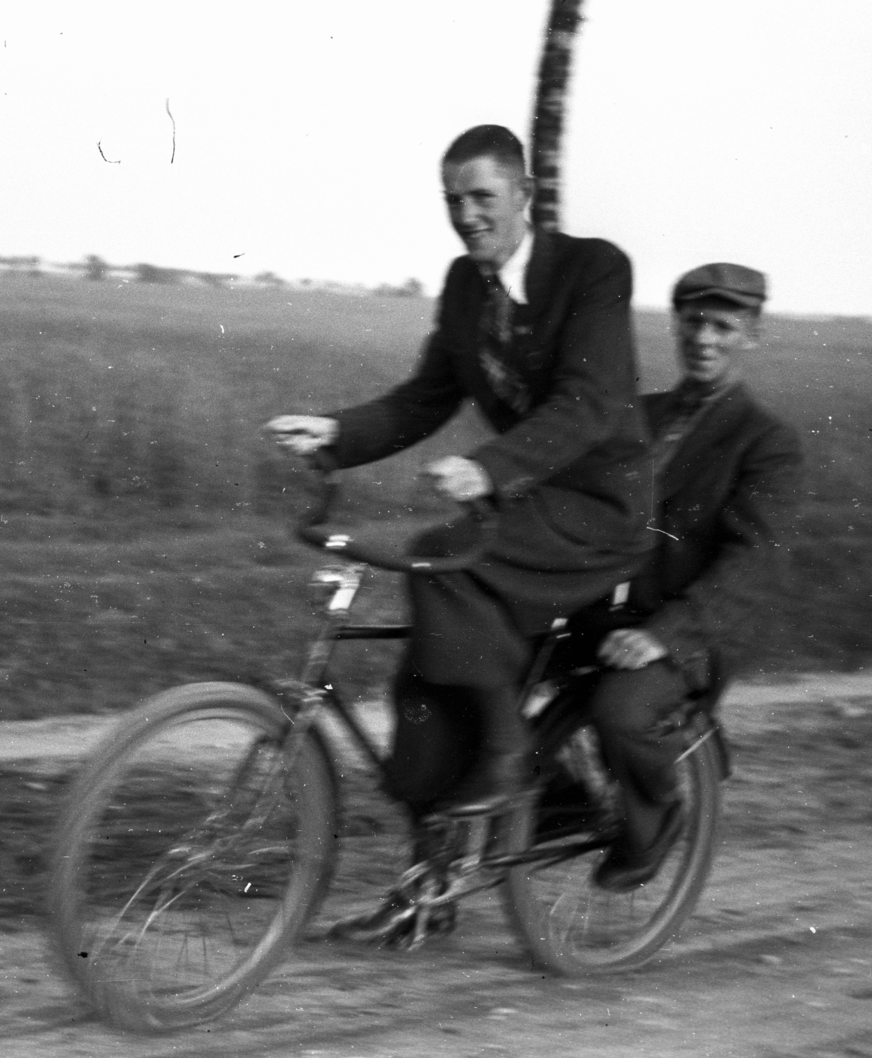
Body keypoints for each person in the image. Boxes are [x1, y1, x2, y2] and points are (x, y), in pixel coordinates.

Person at [268, 124, 654, 938]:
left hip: (596, 512)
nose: (467, 215)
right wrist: (335, 434)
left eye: (482, 196)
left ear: (524, 195)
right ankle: (428, 892)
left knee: (442, 558)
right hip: (520, 509)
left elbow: (589, 401)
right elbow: (423, 399)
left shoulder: (593, 269)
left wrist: (491, 467)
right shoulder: (464, 285)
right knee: (426, 686)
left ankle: (511, 758)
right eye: (453, 201)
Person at [576, 261, 804, 891]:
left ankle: (657, 816)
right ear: (677, 324)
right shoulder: (639, 416)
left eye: (724, 325)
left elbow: (752, 559)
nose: (704, 337)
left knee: (619, 709)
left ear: (752, 333)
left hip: (691, 630)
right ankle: (543, 804)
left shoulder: (766, 442)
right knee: (489, 669)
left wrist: (664, 635)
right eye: (694, 321)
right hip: (602, 607)